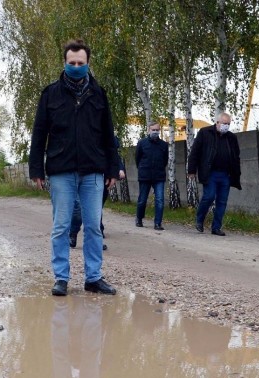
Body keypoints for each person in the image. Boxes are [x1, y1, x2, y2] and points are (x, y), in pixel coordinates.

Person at [29, 39, 119, 297]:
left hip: (93, 170)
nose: (77, 67)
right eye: (72, 63)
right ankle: (61, 278)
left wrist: (112, 168)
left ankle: (93, 278)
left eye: (81, 63)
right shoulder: (50, 94)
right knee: (61, 226)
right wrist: (37, 168)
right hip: (61, 170)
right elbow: (39, 133)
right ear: (65, 63)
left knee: (93, 226)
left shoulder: (99, 94)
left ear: (88, 63)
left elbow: (108, 135)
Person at [187, 111, 241, 236]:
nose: (226, 126)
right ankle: (199, 220)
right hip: (210, 173)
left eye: (228, 124)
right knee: (209, 196)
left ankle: (216, 227)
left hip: (226, 174)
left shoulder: (232, 138)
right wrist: (191, 170)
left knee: (222, 201)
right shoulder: (205, 133)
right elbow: (194, 152)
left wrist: (236, 173)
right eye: (224, 123)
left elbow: (236, 156)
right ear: (217, 122)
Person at [69, 135, 126, 251]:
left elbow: (114, 155)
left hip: (102, 179)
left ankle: (96, 240)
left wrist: (119, 169)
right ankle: (73, 232)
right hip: (83, 175)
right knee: (79, 209)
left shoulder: (109, 135)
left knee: (96, 209)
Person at [134, 122, 168, 230]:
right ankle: (139, 218)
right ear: (149, 130)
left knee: (160, 200)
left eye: (157, 130)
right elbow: (137, 159)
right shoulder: (142, 143)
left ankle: (158, 223)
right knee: (142, 200)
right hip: (145, 175)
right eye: (153, 130)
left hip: (159, 176)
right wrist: (142, 169)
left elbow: (165, 160)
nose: (155, 132)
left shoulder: (163, 145)